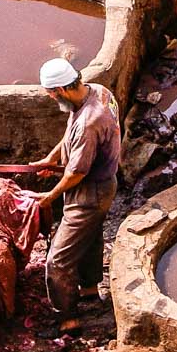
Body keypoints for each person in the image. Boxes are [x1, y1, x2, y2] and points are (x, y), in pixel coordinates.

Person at [27, 58, 121, 335]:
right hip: (104, 184)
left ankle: (67, 318)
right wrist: (51, 158)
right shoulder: (97, 91)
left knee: (58, 261)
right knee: (90, 240)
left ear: (61, 90)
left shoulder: (90, 123)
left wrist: (49, 197)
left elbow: (76, 173)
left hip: (89, 192)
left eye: (52, 95)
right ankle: (90, 291)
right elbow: (72, 134)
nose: (52, 100)